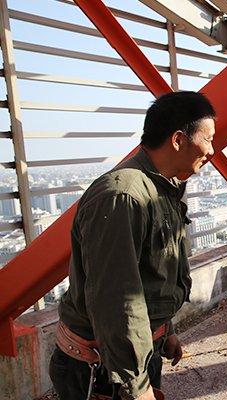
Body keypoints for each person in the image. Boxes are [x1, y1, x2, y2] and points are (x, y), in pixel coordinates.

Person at [49, 91, 216, 400]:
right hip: (104, 368)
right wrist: (136, 387)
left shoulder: (162, 188)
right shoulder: (122, 197)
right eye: (207, 139)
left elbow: (151, 276)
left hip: (136, 355)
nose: (211, 150)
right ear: (178, 140)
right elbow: (117, 301)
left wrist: (165, 331)